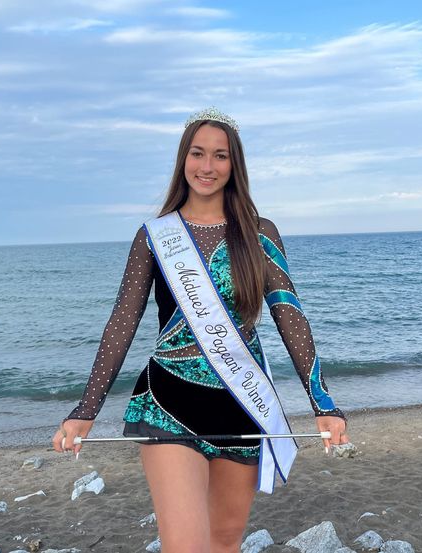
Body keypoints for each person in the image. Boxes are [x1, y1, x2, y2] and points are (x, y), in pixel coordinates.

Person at [52, 107, 349, 553]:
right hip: (168, 402)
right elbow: (122, 322)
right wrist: (85, 409)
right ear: (183, 159)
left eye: (220, 156)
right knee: (186, 546)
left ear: (235, 165)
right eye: (197, 153)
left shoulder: (259, 233)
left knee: (225, 541)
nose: (207, 167)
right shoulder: (154, 235)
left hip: (240, 405)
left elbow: (290, 315)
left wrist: (323, 403)